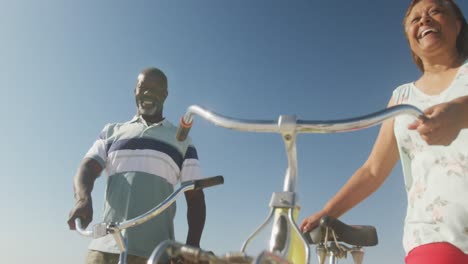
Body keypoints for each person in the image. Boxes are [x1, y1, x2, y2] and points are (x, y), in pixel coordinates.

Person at [300, 0, 468, 263]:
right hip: (433, 236)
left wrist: (460, 110)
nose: (424, 20)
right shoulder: (402, 97)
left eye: (435, 11)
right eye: (415, 19)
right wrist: (328, 212)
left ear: (458, 25)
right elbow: (373, 170)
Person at [67, 67, 207, 264]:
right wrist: (82, 199)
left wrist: (192, 246)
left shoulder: (182, 141)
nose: (148, 93)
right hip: (104, 249)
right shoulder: (111, 131)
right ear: (135, 91)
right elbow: (88, 167)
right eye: (143, 88)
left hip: (156, 254)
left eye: (155, 89)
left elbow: (195, 197)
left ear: (165, 95)